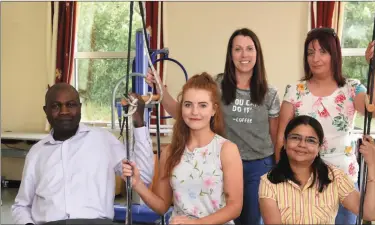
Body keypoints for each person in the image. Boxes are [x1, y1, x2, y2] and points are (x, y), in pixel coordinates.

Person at [146, 28, 280, 225]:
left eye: (250, 49)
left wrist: (279, 170)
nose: (244, 55)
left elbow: (275, 135)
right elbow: (186, 111)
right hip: (219, 162)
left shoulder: (269, 93)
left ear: (257, 54)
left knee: (251, 220)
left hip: (258, 165)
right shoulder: (217, 85)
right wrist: (160, 88)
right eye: (238, 49)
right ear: (230, 54)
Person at [275, 27, 375, 224]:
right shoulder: (294, 91)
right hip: (303, 181)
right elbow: (281, 140)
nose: (315, 58)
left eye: (322, 51)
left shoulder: (351, 88)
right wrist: (282, 179)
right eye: (310, 52)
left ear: (334, 54)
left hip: (344, 181)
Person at [11, 83, 154, 225]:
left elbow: (144, 176)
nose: (64, 111)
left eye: (71, 105)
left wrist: (139, 122)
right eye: (56, 106)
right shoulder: (36, 153)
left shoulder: (103, 140)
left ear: (80, 108)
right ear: (45, 110)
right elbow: (21, 206)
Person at [122, 73, 243, 225]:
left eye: (202, 105)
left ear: (214, 110)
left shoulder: (227, 150)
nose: (194, 112)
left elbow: (235, 207)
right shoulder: (170, 152)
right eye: (188, 104)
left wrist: (198, 224)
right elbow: (161, 206)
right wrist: (137, 184)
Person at [260, 115, 375, 224]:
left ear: (319, 148)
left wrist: (372, 164)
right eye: (296, 138)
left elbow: (370, 213)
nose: (302, 144)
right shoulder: (269, 182)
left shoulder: (335, 178)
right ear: (285, 143)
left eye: (310, 140)